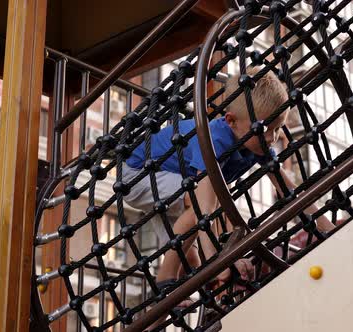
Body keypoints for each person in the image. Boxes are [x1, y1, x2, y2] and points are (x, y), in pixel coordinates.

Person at [122, 67, 335, 325]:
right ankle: (166, 280)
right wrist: (220, 261)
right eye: (264, 129)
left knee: (189, 257)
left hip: (167, 180)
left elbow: (289, 191)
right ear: (232, 121)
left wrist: (328, 227)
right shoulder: (214, 139)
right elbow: (204, 207)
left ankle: (163, 310)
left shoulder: (258, 142)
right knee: (200, 205)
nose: (272, 138)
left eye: (278, 128)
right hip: (138, 174)